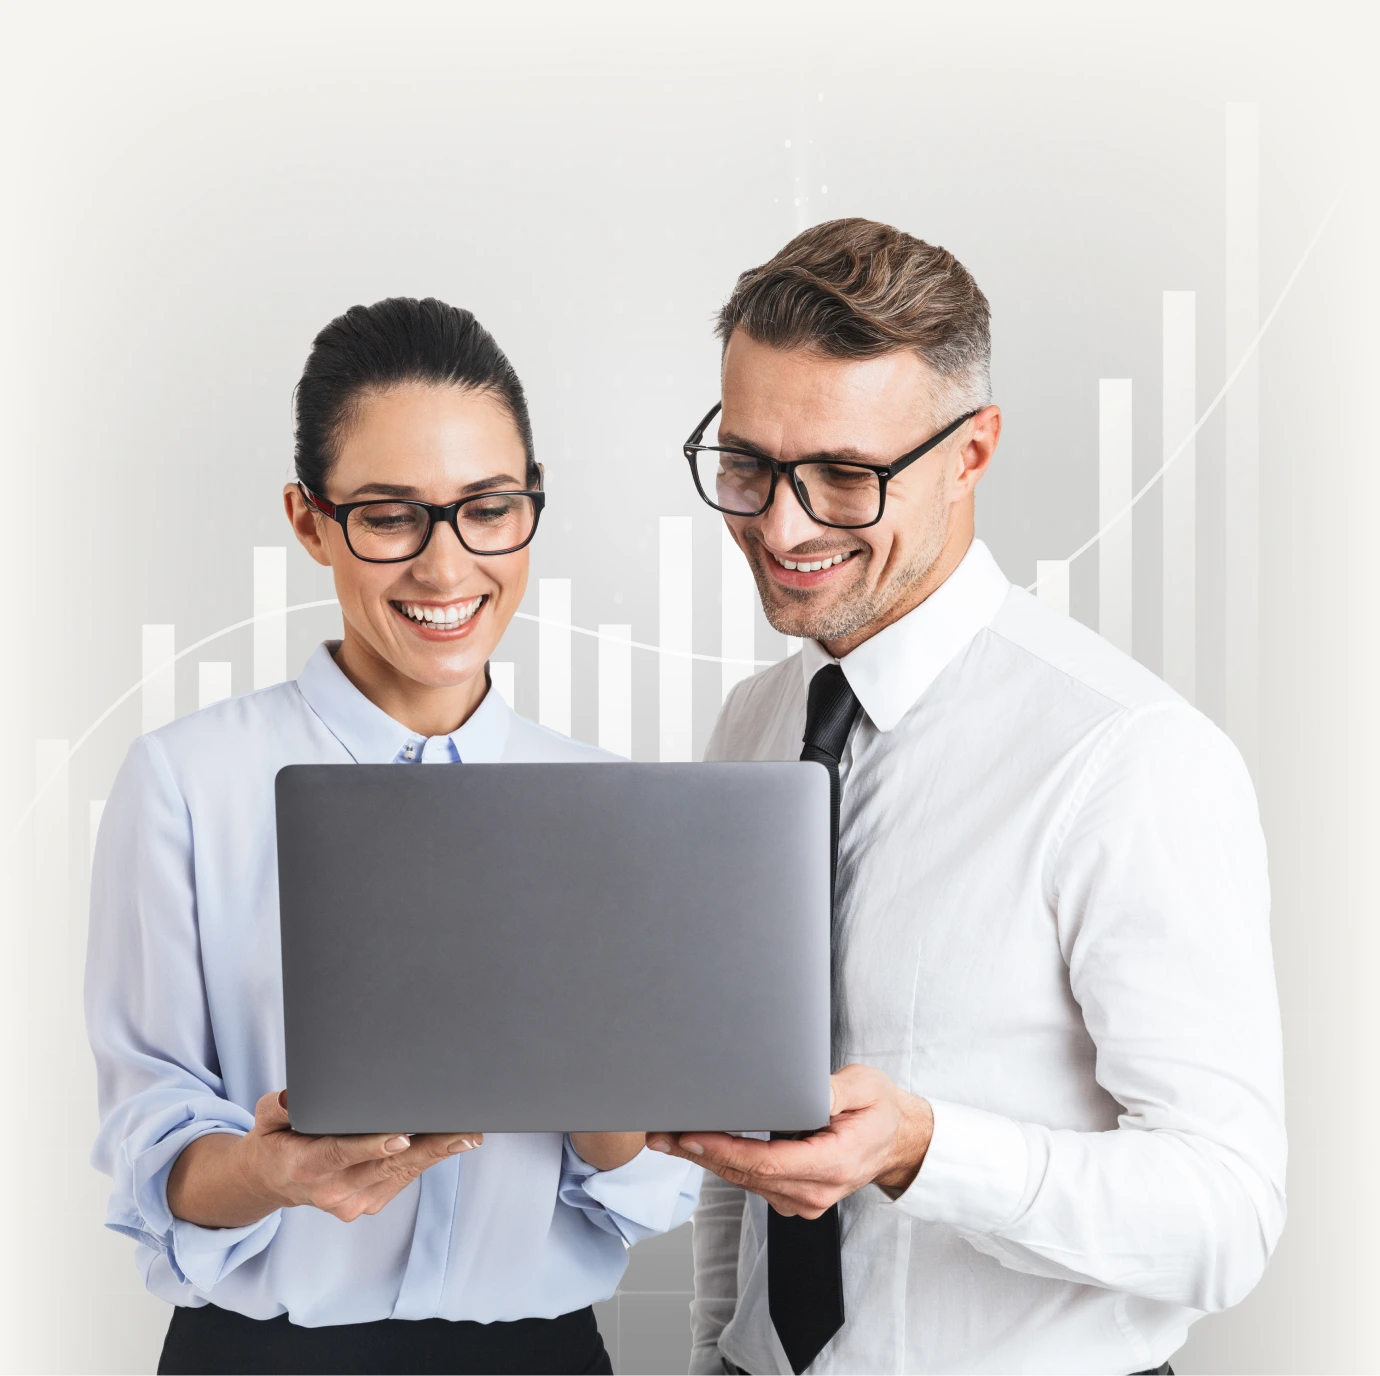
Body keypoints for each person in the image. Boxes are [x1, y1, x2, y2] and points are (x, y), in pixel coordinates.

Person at [647, 219, 1285, 1376]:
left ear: (972, 451)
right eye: (748, 464)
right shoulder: (751, 724)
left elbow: (1227, 1213)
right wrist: (711, 1350)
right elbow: (736, 1143)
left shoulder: (1128, 756)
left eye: (844, 475)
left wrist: (925, 1149)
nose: (782, 528)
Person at [87, 296, 701, 1375]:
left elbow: (650, 1193)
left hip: (540, 1356)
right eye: (388, 514)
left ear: (531, 506)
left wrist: (600, 1095)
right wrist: (270, 1173)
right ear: (310, 520)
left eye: (487, 507)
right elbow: (154, 1143)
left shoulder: (605, 800)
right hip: (263, 1355)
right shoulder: (190, 782)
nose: (446, 564)